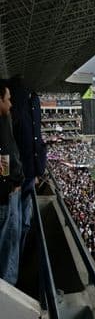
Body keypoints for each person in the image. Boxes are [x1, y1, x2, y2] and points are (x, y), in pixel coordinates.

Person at [0, 83, 25, 286]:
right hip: (5, 195)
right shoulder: (1, 126)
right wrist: (8, 184)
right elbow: (4, 158)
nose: (10, 102)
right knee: (8, 242)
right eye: (7, 98)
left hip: (6, 190)